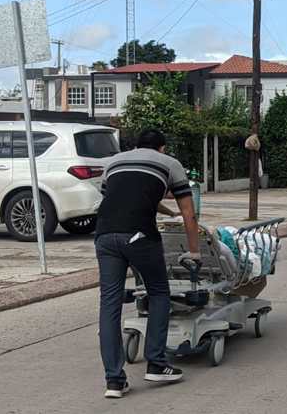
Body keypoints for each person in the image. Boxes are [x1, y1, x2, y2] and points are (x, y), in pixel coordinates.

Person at [95, 130, 200, 398]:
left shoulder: (115, 162)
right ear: (162, 148)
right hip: (139, 235)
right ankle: (156, 363)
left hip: (105, 235)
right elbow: (190, 212)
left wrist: (167, 211)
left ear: (136, 146)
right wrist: (194, 251)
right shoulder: (170, 163)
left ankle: (114, 382)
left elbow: (123, 198)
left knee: (109, 304)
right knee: (159, 292)